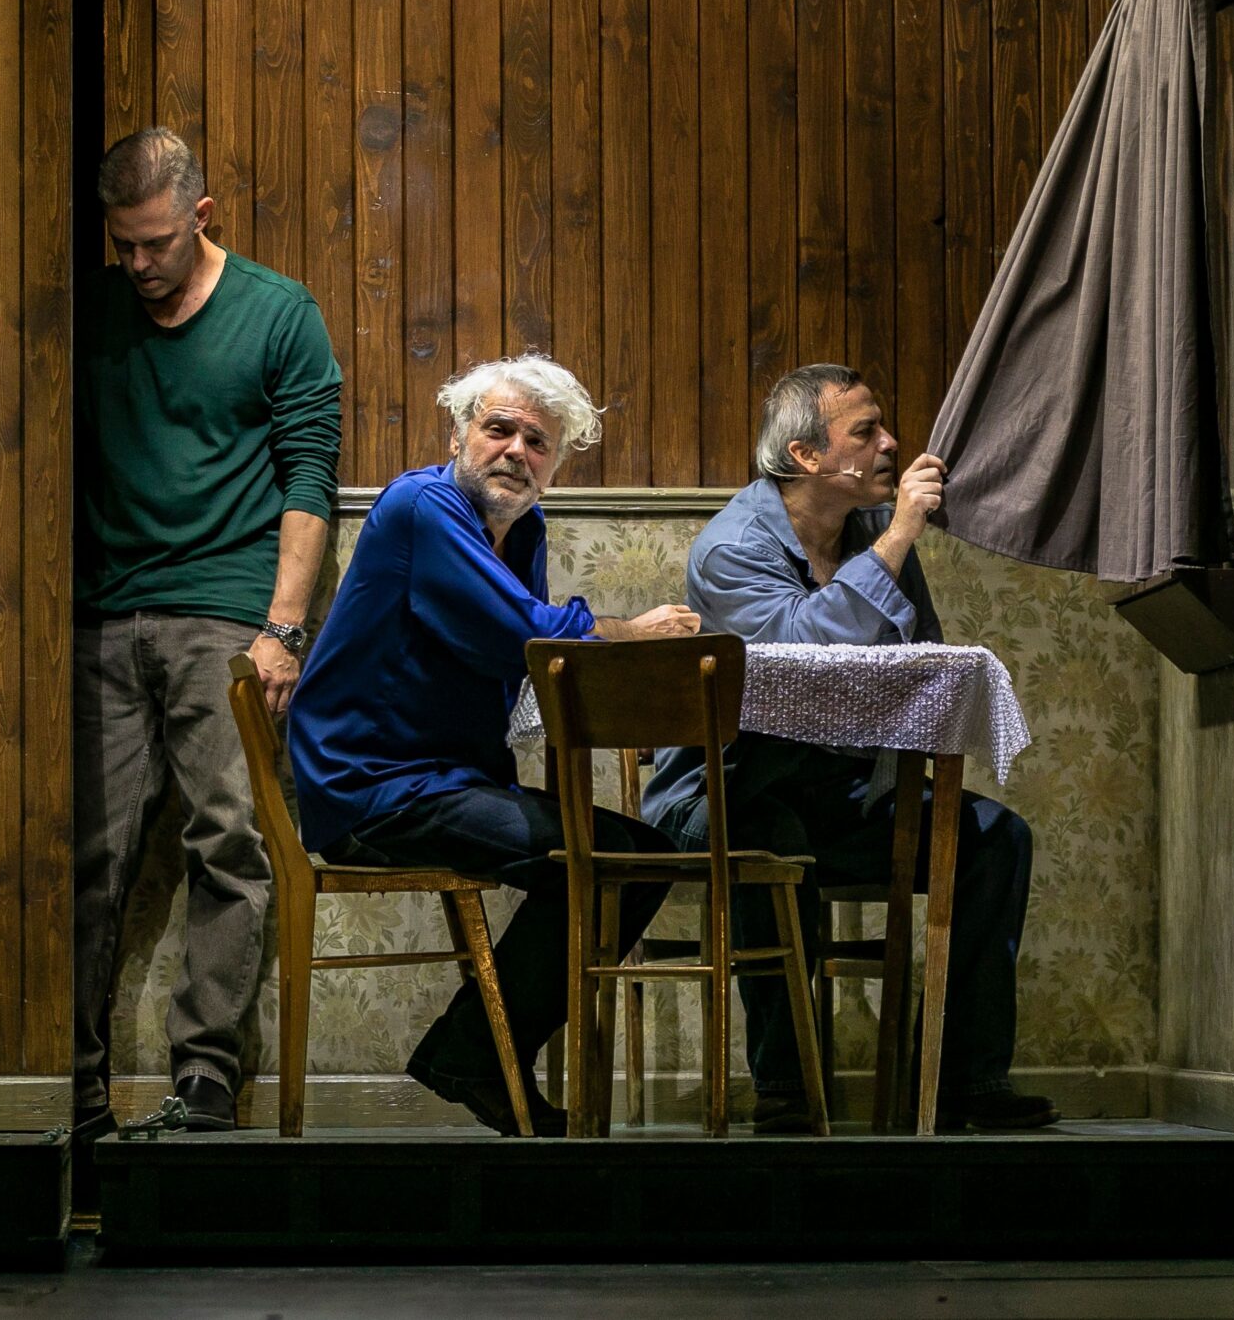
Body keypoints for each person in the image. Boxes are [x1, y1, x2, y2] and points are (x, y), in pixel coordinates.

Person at [287, 353, 700, 1134]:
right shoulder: (423, 505)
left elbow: (515, 654)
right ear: (458, 435)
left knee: (635, 855)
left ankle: (475, 1054)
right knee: (618, 860)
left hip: (443, 778)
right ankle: (474, 1056)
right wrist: (629, 631)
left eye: (537, 441)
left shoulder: (522, 525)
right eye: (499, 429)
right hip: (372, 786)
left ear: (557, 461)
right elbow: (522, 636)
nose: (516, 451)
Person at [642, 363, 1053, 1133]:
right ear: (805, 455)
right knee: (775, 837)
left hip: (842, 790)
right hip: (724, 793)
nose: (890, 443)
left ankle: (958, 1081)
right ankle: (786, 1089)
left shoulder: (869, 531)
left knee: (995, 837)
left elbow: (919, 656)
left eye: (882, 427)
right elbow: (797, 658)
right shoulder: (733, 546)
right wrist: (898, 536)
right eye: (865, 431)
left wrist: (891, 546)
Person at [73, 126, 343, 1136]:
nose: (140, 264)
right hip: (101, 613)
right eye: (123, 245)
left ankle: (205, 1081)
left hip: (225, 610)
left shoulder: (277, 310)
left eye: (157, 242)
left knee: (230, 841)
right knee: (85, 855)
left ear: (202, 215)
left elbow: (308, 474)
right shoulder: (93, 310)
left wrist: (282, 630)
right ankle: (72, 1083)